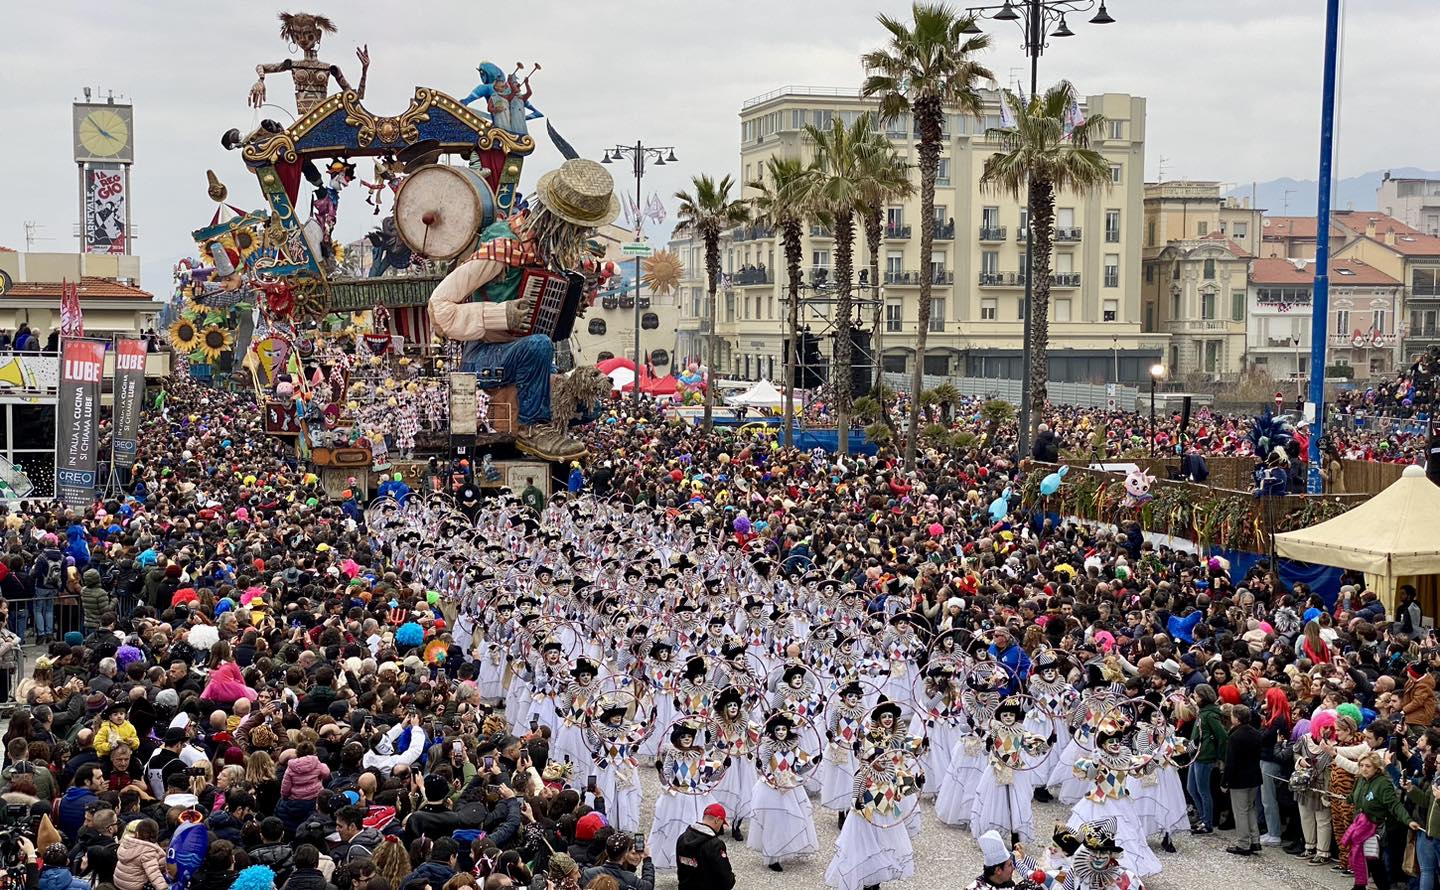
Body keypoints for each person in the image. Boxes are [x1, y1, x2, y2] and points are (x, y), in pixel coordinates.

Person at [1224, 705, 1263, 856]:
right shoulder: (1256, 733)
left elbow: (1231, 762)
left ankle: (1243, 843)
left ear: (1237, 718)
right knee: (1250, 809)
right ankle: (1255, 840)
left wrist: (1225, 781)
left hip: (1239, 779)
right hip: (1253, 776)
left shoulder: (1235, 736)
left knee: (1240, 812)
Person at [674, 804, 735, 890]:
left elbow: (680, 868)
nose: (722, 827)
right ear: (717, 820)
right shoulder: (715, 845)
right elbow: (725, 877)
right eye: (722, 823)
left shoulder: (682, 838)